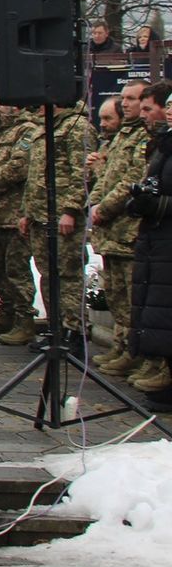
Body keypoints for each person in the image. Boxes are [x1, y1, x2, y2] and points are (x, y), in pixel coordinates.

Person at [21, 98, 93, 354]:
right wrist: (27, 212)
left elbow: (82, 173)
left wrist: (72, 210)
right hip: (41, 214)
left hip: (64, 216)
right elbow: (35, 175)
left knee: (68, 275)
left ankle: (74, 331)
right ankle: (56, 329)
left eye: (40, 101)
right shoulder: (45, 127)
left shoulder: (75, 127)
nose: (36, 105)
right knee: (48, 274)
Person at [90, 84, 150, 377]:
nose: (125, 104)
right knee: (114, 292)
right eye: (123, 99)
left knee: (131, 296)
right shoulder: (121, 136)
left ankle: (135, 352)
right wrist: (94, 201)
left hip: (128, 227)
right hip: (111, 230)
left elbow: (131, 180)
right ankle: (121, 345)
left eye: (132, 99)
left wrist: (105, 207)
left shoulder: (144, 137)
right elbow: (107, 174)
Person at [0, 103, 38, 345]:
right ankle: (6, 315)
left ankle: (25, 321)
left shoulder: (27, 131)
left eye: (2, 103)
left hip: (15, 213)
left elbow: (19, 166)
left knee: (17, 270)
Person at [126, 82, 172, 399]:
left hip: (167, 236)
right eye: (168, 105)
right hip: (157, 237)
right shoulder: (164, 144)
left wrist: (160, 205)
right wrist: (141, 199)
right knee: (156, 308)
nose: (168, 110)